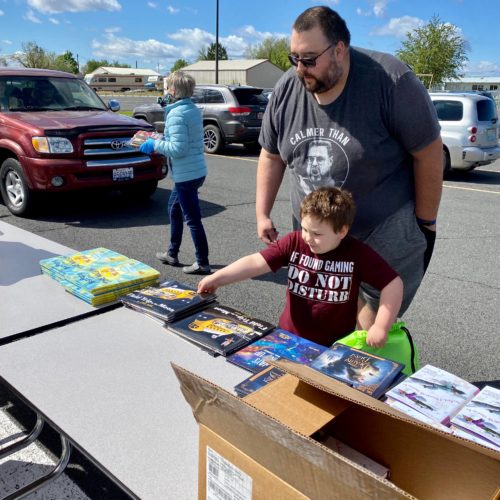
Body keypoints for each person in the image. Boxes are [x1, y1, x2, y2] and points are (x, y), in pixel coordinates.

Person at [256, 6, 443, 332]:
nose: (301, 69)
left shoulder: (390, 81)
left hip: (383, 231)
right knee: (318, 321)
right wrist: (262, 213)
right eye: (294, 58)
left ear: (339, 50)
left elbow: (428, 153)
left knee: (366, 328)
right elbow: (271, 154)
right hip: (316, 232)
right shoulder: (288, 89)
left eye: (310, 59)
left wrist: (425, 222)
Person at [198, 187, 403, 348]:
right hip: (288, 337)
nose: (308, 238)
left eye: (317, 234)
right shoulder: (295, 242)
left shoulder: (357, 254)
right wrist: (218, 278)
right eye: (304, 229)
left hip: (333, 346)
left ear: (341, 231)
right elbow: (255, 262)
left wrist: (381, 326)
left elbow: (393, 284)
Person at [139, 71, 211, 275]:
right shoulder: (191, 110)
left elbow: (178, 148)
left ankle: (202, 262)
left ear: (173, 90)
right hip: (195, 170)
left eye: (167, 87)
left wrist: (154, 144)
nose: (165, 91)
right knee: (173, 209)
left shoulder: (177, 114)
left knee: (192, 218)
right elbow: (181, 139)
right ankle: (172, 253)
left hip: (186, 174)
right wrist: (158, 137)